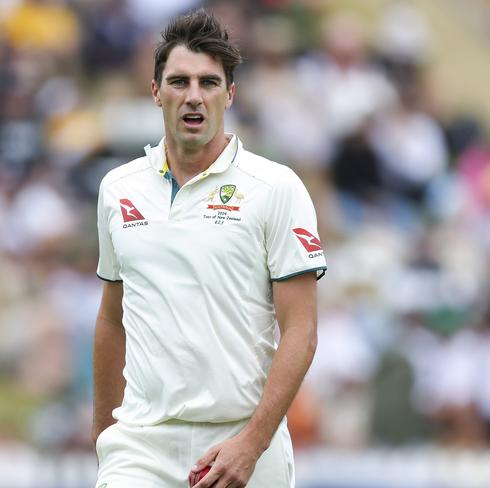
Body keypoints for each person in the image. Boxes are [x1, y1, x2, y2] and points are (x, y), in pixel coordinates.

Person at [93, 9, 326, 488]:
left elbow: (301, 330)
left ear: (230, 94)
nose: (193, 96)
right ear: (155, 91)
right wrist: (105, 438)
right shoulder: (118, 189)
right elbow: (112, 317)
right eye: (178, 81)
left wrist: (252, 442)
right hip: (141, 444)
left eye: (209, 82)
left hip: (242, 441)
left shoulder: (275, 188)